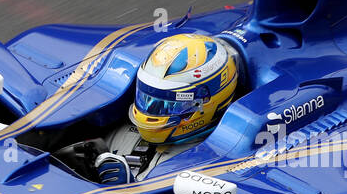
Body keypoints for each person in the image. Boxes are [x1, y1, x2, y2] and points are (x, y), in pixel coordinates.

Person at [89, 32, 243, 185]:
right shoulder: (119, 133)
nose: (150, 112)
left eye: (171, 105)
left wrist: (128, 190)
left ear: (205, 102)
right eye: (147, 99)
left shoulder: (208, 166)